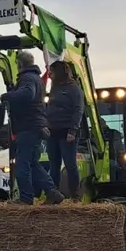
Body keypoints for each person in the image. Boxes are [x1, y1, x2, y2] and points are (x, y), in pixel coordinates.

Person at [1, 51, 65, 205]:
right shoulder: (36, 78)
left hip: (28, 126)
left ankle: (26, 198)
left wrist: (7, 96)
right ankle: (52, 192)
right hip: (36, 125)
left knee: (22, 164)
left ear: (19, 64)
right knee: (33, 164)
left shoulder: (27, 78)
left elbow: (27, 94)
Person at [45, 60, 83, 198]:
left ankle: (75, 194)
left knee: (70, 164)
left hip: (67, 131)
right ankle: (53, 194)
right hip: (52, 131)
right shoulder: (54, 88)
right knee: (53, 165)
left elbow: (78, 110)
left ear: (59, 72)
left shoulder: (74, 89)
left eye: (52, 72)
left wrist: (73, 130)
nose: (49, 74)